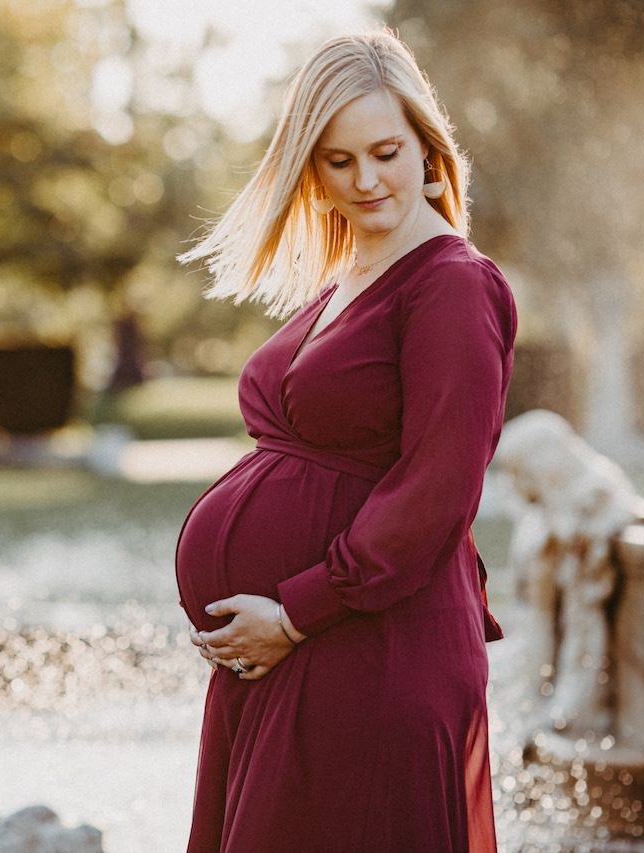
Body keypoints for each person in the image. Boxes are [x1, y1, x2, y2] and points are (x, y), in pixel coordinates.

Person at [172, 26, 515, 853]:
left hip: (371, 651)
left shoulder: (451, 285)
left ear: (429, 150)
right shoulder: (350, 276)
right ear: (309, 168)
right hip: (304, 655)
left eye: (387, 151)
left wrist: (293, 612)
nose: (367, 180)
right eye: (338, 160)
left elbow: (437, 490)